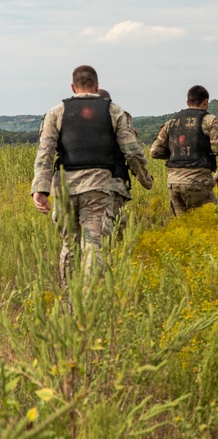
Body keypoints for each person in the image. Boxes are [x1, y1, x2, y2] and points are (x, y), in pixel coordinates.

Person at [30, 65, 154, 290]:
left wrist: (40, 189)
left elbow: (45, 152)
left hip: (65, 188)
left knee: (69, 244)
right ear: (97, 87)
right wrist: (144, 178)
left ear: (72, 86)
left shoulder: (56, 113)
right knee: (92, 244)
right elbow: (132, 151)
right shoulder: (114, 111)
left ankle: (70, 298)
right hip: (98, 186)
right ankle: (88, 299)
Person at [150, 85, 218, 216]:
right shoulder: (210, 121)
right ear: (205, 101)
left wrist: (176, 153)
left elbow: (154, 151)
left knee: (182, 223)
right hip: (198, 180)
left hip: (173, 182)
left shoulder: (172, 122)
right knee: (209, 222)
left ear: (187, 102)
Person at [97, 89, 134, 222]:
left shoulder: (73, 117)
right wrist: (143, 176)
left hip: (75, 184)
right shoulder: (119, 116)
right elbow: (132, 151)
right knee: (116, 226)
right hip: (113, 180)